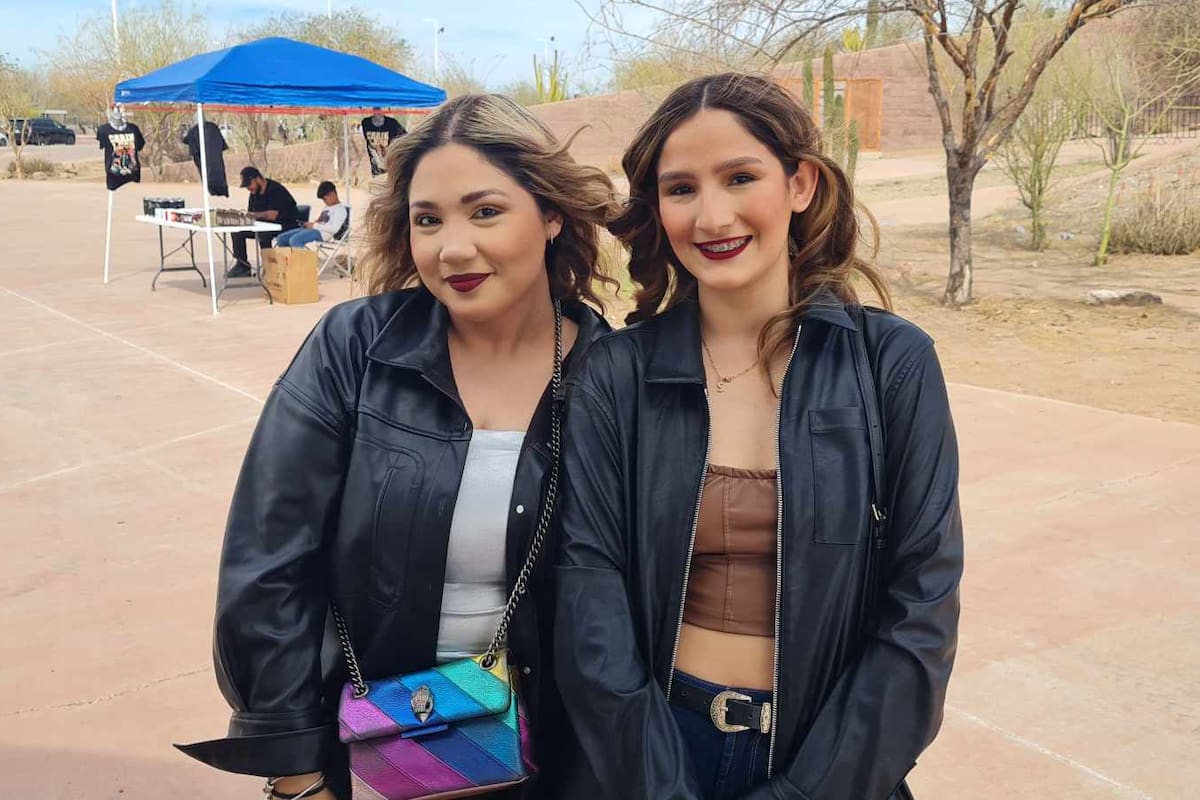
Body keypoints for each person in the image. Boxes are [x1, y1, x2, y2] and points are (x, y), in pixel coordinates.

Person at [176, 93, 618, 800]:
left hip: (559, 767)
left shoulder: (612, 374)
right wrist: (297, 772)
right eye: (427, 220)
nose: (454, 248)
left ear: (552, 214)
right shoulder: (355, 349)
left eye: (486, 211)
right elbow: (269, 563)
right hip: (379, 754)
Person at [554, 73, 963, 800]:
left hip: (831, 761)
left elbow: (921, 612)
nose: (712, 216)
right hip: (653, 756)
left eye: (740, 177)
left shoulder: (892, 365)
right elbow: (592, 598)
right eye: (680, 189)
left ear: (800, 184)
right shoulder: (617, 372)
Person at [229, 166, 301, 278]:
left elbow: (272, 215)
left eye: (249, 184)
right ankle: (242, 265)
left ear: (257, 179)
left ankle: (269, 267)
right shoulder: (254, 193)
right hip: (264, 225)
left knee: (264, 234)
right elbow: (251, 214)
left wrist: (254, 215)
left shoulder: (275, 190)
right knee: (237, 231)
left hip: (285, 225)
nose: (249, 188)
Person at [275, 181, 349, 248]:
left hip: (323, 234)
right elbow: (321, 221)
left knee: (295, 240)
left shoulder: (340, 210)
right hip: (314, 229)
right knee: (281, 238)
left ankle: (306, 261)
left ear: (332, 194)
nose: (324, 202)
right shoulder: (327, 207)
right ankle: (288, 260)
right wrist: (310, 224)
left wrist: (314, 226)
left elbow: (334, 229)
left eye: (325, 199)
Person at [183, 118, 230, 197]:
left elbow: (194, 153)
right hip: (218, 176)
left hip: (210, 175)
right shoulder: (214, 128)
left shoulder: (194, 132)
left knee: (210, 178)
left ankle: (213, 189)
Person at [362, 108, 406, 176]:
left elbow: (405, 136)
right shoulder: (366, 123)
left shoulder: (392, 123)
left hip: (391, 166)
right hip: (376, 167)